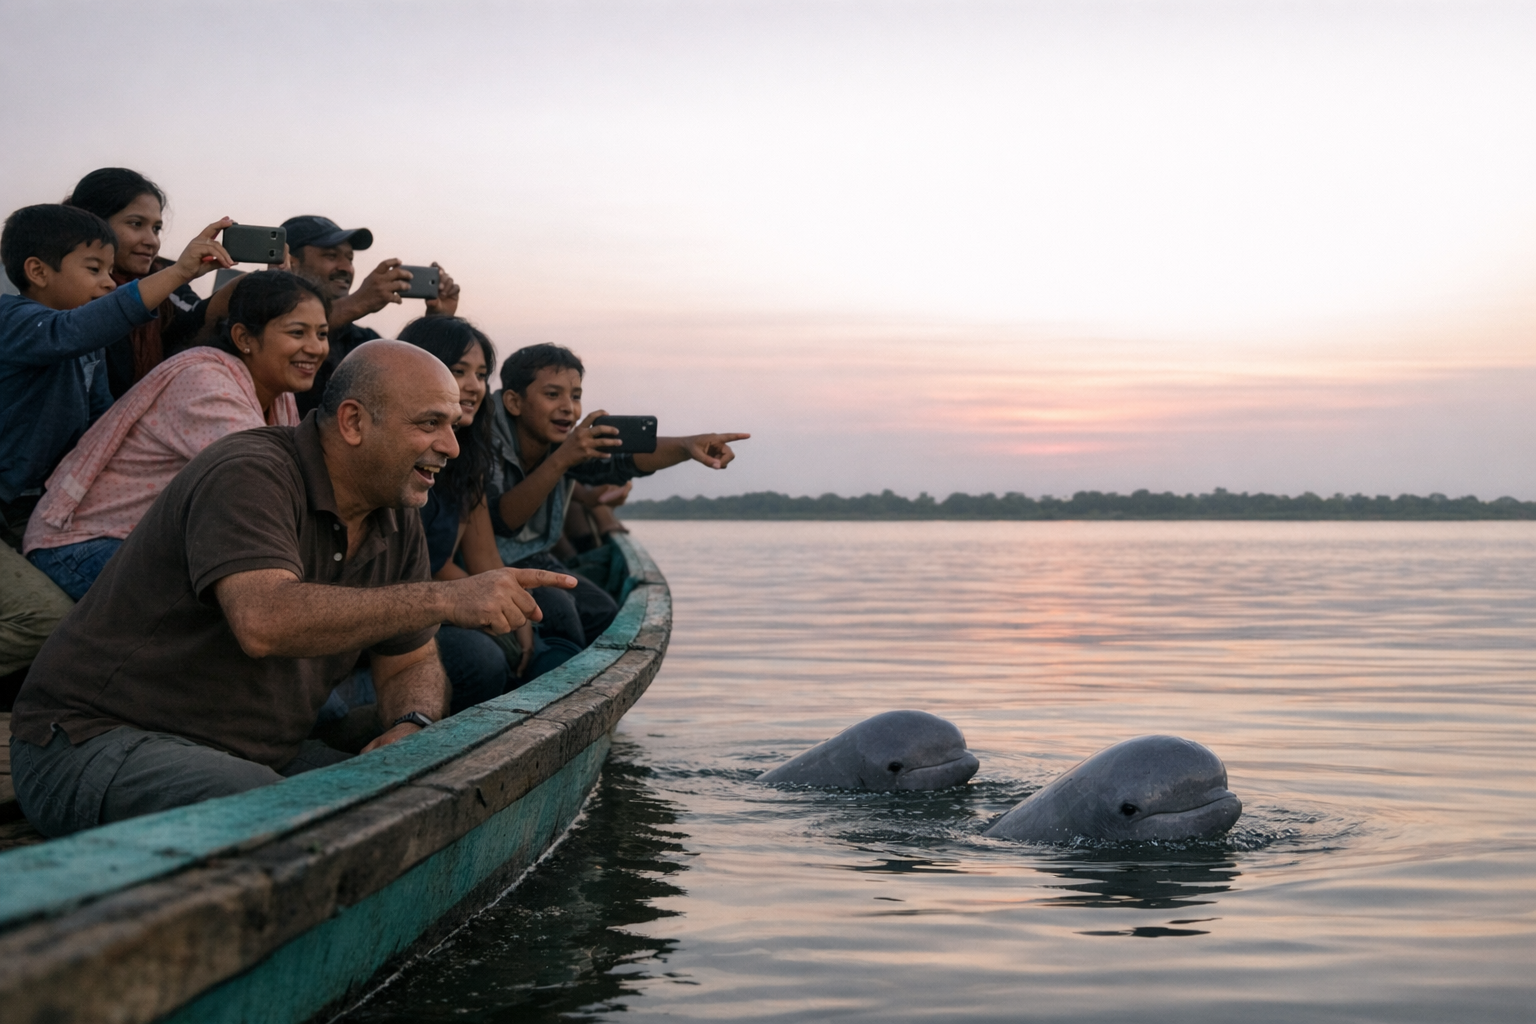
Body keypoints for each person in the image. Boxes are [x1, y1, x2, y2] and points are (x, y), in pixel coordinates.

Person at [8, 341, 576, 838]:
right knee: (297, 818)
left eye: (452, 425)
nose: (451, 446)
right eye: (430, 423)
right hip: (92, 743)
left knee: (428, 799)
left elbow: (409, 661)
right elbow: (264, 620)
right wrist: (446, 597)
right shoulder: (250, 472)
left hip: (257, 754)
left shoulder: (396, 512)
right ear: (353, 422)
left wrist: (412, 724)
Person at [23, 271, 326, 599]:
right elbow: (270, 483)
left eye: (322, 334)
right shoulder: (207, 383)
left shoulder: (277, 396)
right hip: (83, 544)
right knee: (225, 608)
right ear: (243, 338)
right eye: (298, 332)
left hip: (143, 545)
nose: (316, 348)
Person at [0, 203, 232, 548]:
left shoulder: (88, 345)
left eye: (110, 270)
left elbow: (103, 423)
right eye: (94, 269)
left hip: (45, 499)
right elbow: (72, 331)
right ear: (38, 271)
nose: (109, 283)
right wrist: (178, 272)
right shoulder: (13, 319)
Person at [488, 343, 749, 647]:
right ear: (514, 402)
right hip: (486, 564)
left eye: (575, 396)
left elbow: (624, 461)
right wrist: (563, 459)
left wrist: (686, 446)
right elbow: (504, 522)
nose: (569, 407)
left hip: (534, 558)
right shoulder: (486, 442)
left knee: (603, 611)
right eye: (552, 394)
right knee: (560, 614)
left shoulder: (558, 441)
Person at [397, 317, 581, 712]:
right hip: (398, 606)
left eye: (481, 375)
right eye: (459, 371)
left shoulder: (467, 458)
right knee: (483, 658)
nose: (474, 386)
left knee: (550, 623)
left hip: (442, 594)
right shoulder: (396, 449)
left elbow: (481, 555)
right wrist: (490, 602)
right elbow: (424, 567)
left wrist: (518, 614)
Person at [283, 215, 461, 415]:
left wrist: (437, 321)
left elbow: (411, 383)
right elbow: (281, 322)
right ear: (291, 263)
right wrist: (359, 302)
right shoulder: (260, 318)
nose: (346, 268)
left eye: (350, 259)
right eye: (331, 256)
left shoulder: (364, 342)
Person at [64, 168, 207, 396]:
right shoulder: (62, 290)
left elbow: (199, 320)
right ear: (94, 223)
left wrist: (241, 288)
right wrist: (178, 273)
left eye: (156, 228)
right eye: (136, 224)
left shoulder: (162, 276)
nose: (152, 241)